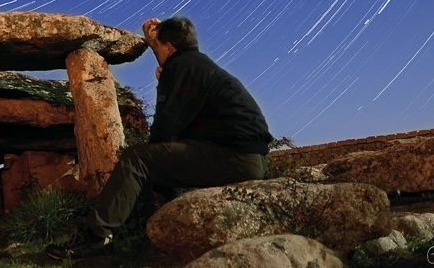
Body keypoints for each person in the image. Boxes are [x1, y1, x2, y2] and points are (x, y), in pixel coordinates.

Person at [48, 15, 274, 260]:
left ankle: (96, 236)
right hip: (249, 158)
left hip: (233, 158)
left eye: (157, 45)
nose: (155, 49)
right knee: (164, 159)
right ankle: (166, 227)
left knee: (139, 159)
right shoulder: (197, 65)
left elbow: (165, 128)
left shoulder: (178, 67)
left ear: (169, 47)